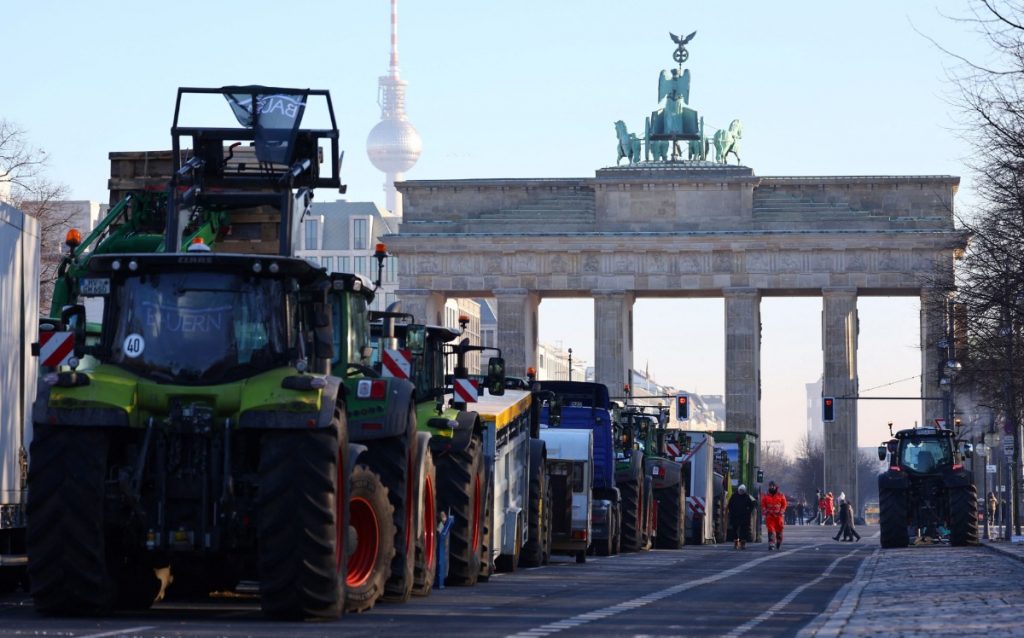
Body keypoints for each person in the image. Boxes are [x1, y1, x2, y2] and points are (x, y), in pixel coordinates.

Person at [761, 480, 788, 551]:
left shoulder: (781, 495)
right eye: (770, 486)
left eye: (772, 486)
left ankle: (779, 542)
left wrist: (781, 511)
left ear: (775, 487)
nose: (771, 487)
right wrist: (765, 511)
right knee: (771, 530)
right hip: (770, 516)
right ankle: (771, 543)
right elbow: (763, 504)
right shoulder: (766, 496)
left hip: (778, 516)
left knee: (779, 530)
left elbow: (784, 504)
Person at [727, 484, 756, 550]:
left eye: (742, 491)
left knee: (744, 531)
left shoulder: (748, 496)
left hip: (744, 517)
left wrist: (749, 511)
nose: (741, 492)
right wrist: (731, 512)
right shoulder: (734, 496)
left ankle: (742, 544)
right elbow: (729, 505)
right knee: (734, 530)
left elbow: (753, 502)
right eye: (740, 490)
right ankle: (736, 543)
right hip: (735, 516)